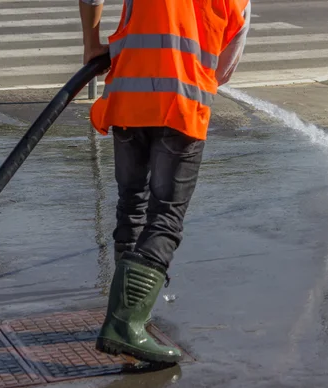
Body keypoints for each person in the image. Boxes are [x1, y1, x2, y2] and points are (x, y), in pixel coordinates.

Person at [78, 0, 251, 363]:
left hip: (128, 95)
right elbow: (223, 67)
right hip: (182, 106)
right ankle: (126, 324)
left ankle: (125, 317)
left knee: (131, 205)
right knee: (166, 219)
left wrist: (92, 43)